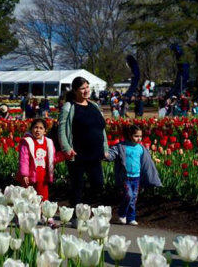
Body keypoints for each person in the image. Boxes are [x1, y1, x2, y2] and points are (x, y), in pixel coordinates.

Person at [58, 76, 109, 223]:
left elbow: (101, 128)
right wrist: (66, 148)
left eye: (87, 87)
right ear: (75, 91)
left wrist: (105, 147)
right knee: (77, 185)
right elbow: (62, 129)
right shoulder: (69, 107)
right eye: (82, 88)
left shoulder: (94, 106)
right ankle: (76, 217)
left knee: (98, 184)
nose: (86, 90)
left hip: (95, 153)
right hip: (77, 153)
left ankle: (83, 209)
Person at [106, 125, 162, 225]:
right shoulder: (121, 146)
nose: (139, 138)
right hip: (125, 177)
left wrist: (152, 176)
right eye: (136, 136)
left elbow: (146, 163)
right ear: (129, 135)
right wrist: (107, 155)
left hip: (136, 177)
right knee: (128, 195)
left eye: (140, 136)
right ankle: (122, 214)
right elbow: (112, 154)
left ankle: (131, 218)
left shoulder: (141, 148)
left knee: (134, 198)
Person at [17, 118, 68, 226]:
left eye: (41, 128)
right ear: (31, 129)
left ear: (45, 131)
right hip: (29, 175)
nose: (38, 130)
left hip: (43, 176)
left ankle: (47, 218)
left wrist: (65, 155)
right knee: (27, 197)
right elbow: (23, 159)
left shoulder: (48, 143)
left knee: (44, 197)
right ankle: (23, 218)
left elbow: (52, 159)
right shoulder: (27, 142)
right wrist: (24, 174)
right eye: (35, 127)